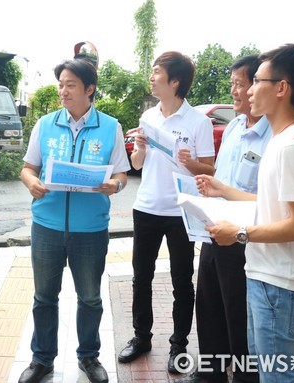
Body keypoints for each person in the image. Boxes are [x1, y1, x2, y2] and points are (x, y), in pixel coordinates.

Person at [197, 44, 294, 383]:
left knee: (277, 378)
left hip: (279, 286)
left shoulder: (292, 147)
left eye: (257, 81)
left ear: (281, 88)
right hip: (265, 277)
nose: (249, 90)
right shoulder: (282, 142)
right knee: (264, 374)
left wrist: (240, 234)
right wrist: (223, 190)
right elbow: (268, 205)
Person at [18, 58, 130, 383]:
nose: (63, 91)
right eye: (61, 85)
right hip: (47, 227)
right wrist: (31, 182)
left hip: (91, 230)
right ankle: (41, 360)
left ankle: (89, 357)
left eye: (70, 85)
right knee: (44, 297)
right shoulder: (45, 124)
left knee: (90, 297)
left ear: (89, 89)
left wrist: (116, 185)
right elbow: (28, 168)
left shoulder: (110, 127)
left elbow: (122, 173)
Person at [118, 51, 215, 374]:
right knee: (140, 278)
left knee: (182, 281)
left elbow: (209, 169)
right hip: (146, 207)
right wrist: (141, 148)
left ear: (175, 81)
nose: (151, 76)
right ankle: (141, 337)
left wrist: (190, 162)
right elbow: (137, 165)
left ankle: (179, 345)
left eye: (157, 71)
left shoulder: (198, 121)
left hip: (180, 212)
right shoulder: (149, 117)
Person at [176, 55, 271, 383]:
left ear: (258, 85)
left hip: (245, 238)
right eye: (232, 84)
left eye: (239, 84)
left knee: (239, 313)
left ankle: (243, 377)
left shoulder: (273, 137)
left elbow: (271, 198)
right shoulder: (233, 127)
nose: (233, 90)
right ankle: (211, 372)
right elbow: (221, 171)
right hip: (214, 230)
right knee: (209, 304)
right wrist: (208, 183)